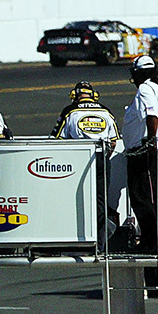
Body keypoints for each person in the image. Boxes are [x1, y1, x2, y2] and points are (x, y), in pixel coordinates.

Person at [55, 81, 125, 232]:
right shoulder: (106, 111)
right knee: (101, 200)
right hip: (102, 158)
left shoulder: (70, 111)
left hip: (79, 160)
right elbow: (114, 142)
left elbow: (56, 140)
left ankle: (78, 232)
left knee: (76, 197)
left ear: (75, 95)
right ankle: (99, 240)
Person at [122, 55, 158, 255]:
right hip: (152, 151)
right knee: (146, 197)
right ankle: (152, 237)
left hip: (144, 152)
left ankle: (151, 239)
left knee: (143, 197)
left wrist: (150, 139)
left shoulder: (145, 89)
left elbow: (152, 114)